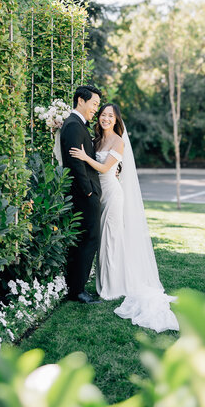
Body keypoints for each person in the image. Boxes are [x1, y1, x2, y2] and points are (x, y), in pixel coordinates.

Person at [70, 103, 179, 333]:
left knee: (111, 238)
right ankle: (106, 281)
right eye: (103, 115)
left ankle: (113, 286)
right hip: (99, 196)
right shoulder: (96, 140)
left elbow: (104, 168)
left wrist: (83, 157)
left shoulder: (118, 141)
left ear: (117, 120)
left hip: (112, 195)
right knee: (101, 239)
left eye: (110, 116)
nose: (105, 118)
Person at [60, 84, 102, 304]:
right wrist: (88, 192)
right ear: (81, 101)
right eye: (94, 103)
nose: (96, 108)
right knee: (89, 239)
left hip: (85, 194)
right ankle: (78, 290)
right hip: (84, 195)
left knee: (86, 240)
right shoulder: (74, 126)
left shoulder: (76, 124)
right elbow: (75, 164)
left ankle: (75, 286)